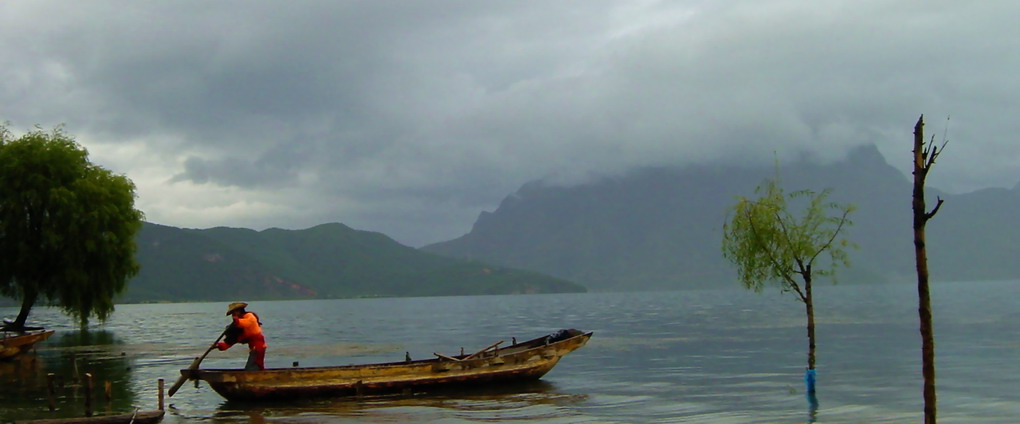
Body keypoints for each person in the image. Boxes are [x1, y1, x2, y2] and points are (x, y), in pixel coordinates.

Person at [216, 302, 267, 370]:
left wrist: (237, 321)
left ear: (239, 310)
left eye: (234, 313)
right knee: (252, 366)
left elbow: (248, 322)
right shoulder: (239, 328)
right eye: (232, 314)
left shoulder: (249, 316)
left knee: (253, 366)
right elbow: (232, 340)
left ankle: (255, 376)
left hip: (258, 346)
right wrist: (218, 345)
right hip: (253, 348)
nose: (233, 315)